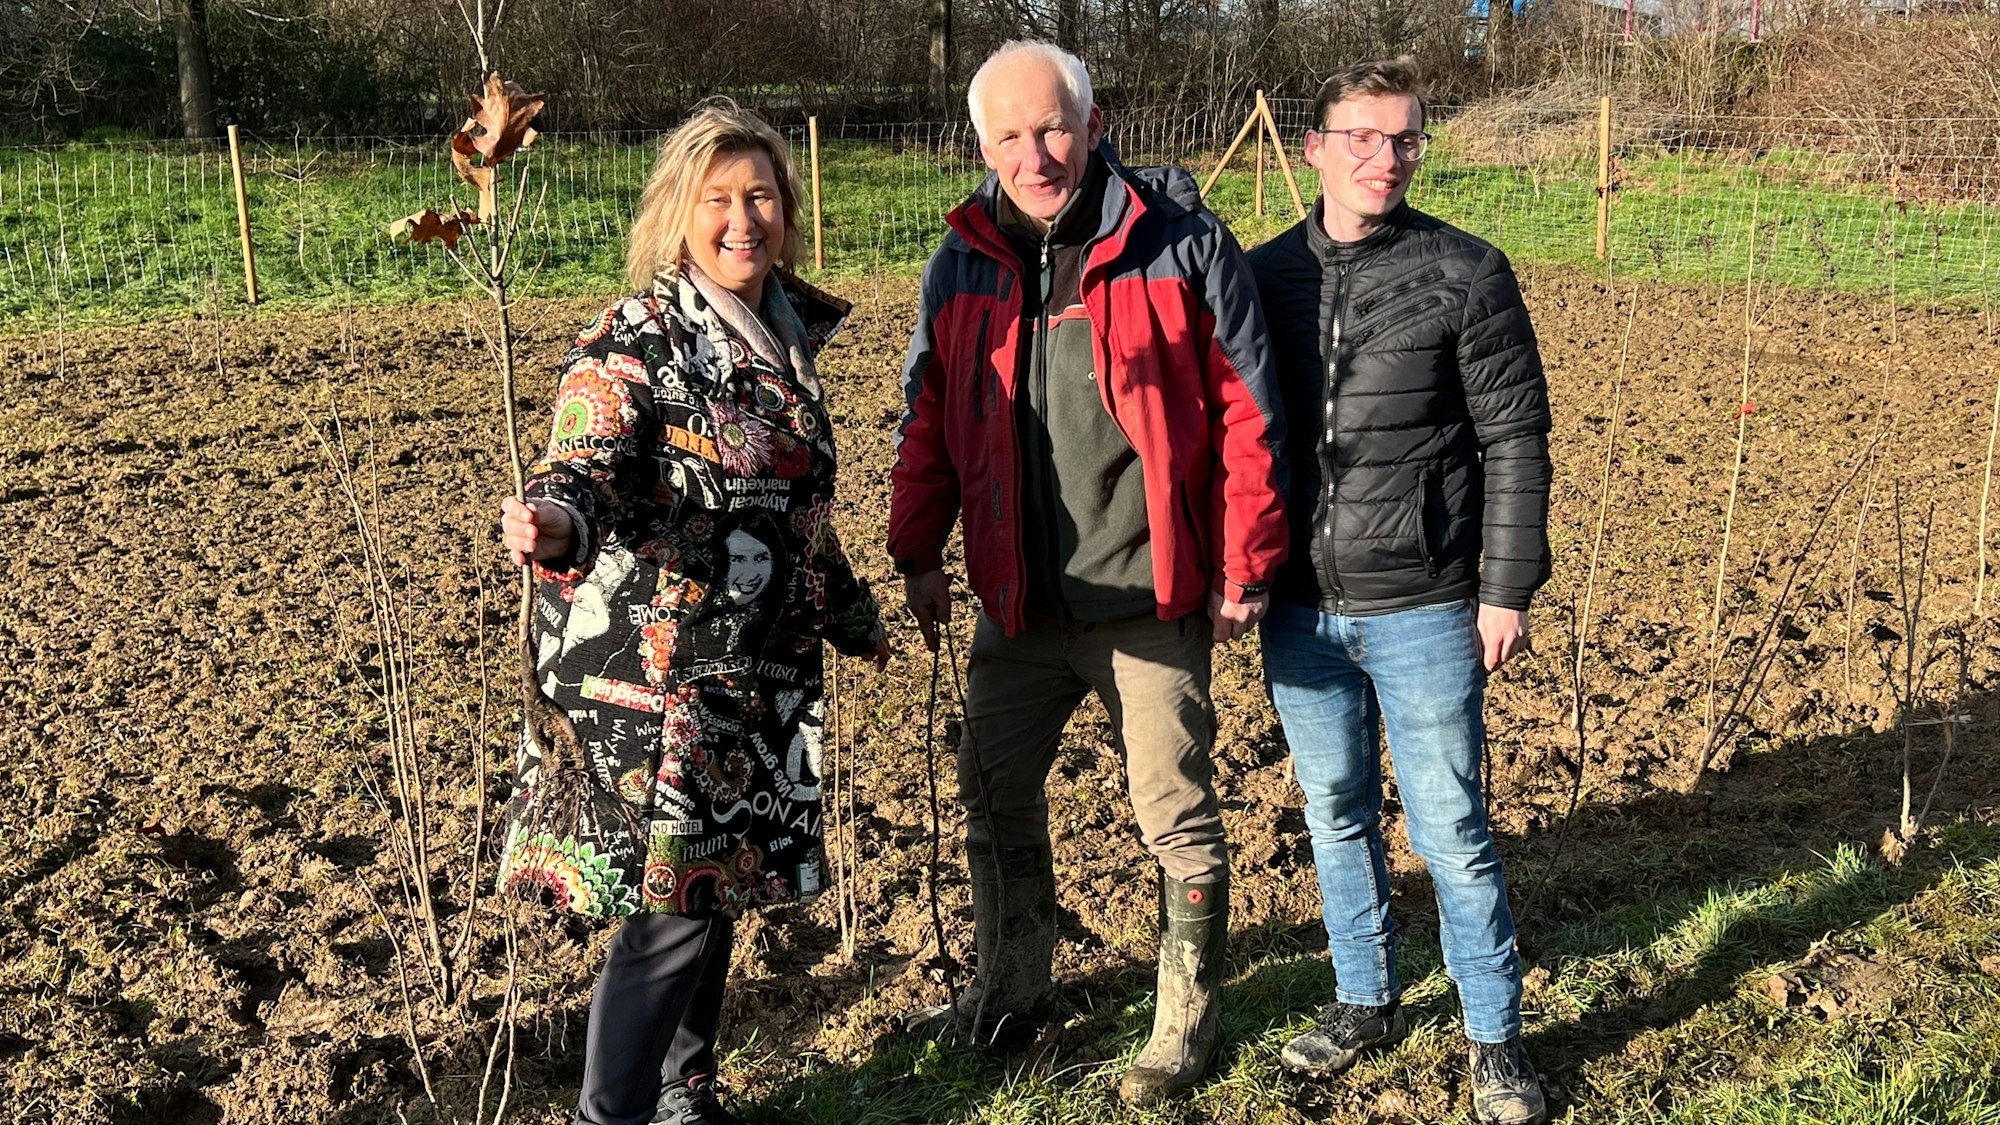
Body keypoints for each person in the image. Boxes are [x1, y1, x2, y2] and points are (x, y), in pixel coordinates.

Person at [887, 39, 1288, 1106]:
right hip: (1015, 606)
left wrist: (1243, 563)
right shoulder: (962, 261)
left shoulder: (1181, 243)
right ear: (981, 145)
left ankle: (1182, 1021)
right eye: (1010, 136)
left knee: (1174, 815)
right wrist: (915, 552)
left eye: (1053, 126)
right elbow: (926, 420)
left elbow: (1250, 413)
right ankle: (1010, 991)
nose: (1036, 153)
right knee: (989, 797)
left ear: (1094, 122)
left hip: (1146, 600)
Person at [495, 99, 889, 1125]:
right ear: (678, 212)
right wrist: (552, 521)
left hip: (751, 667)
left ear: (786, 208)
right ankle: (611, 1115)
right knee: (671, 908)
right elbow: (582, 460)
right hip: (655, 671)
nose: (741, 218)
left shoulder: (784, 334)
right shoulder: (639, 337)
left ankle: (684, 1095)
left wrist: (849, 613)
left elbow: (794, 506)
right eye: (716, 198)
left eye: (759, 193)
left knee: (714, 887)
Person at [1245, 58, 1553, 1125]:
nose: (1385, 158)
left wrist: (1504, 586)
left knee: (1450, 827)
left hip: (1425, 602)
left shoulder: (1465, 273)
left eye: (1405, 139)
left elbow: (1514, 438)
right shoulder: (1260, 275)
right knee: (1333, 816)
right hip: (1296, 609)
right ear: (1316, 147)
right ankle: (1361, 998)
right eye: (1363, 137)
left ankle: (1493, 1035)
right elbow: (1232, 440)